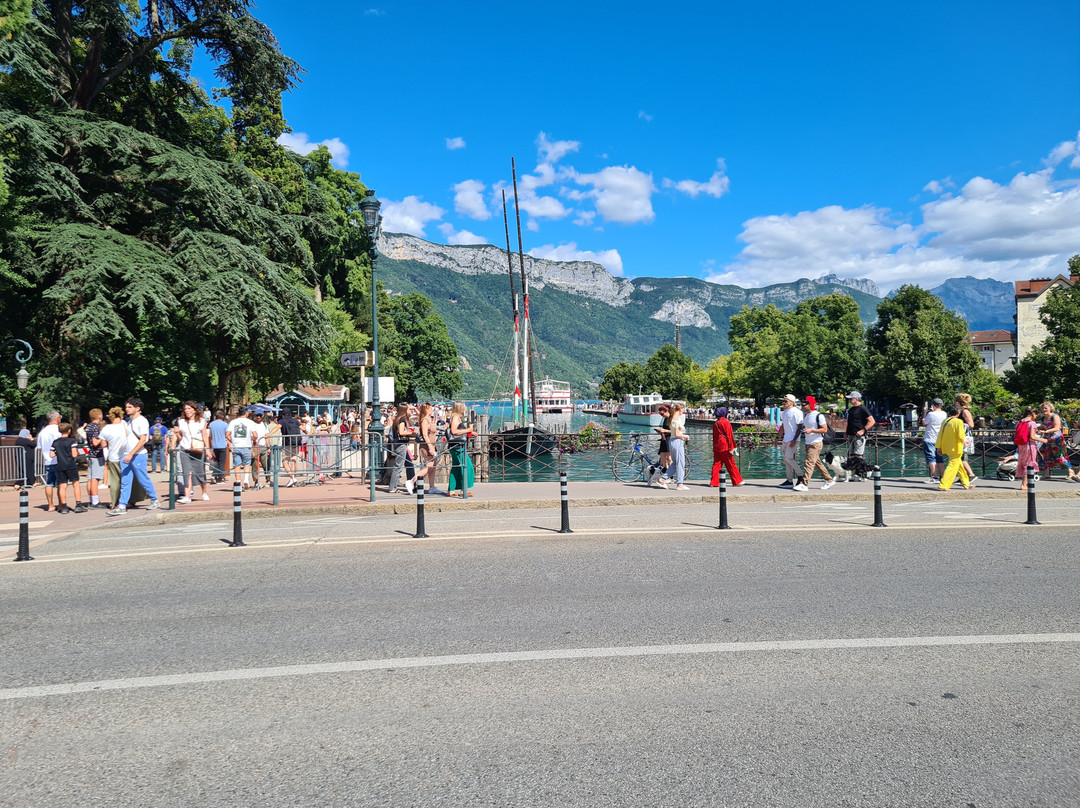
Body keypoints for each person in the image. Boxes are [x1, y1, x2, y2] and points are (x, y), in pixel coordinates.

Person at [108, 397, 160, 515]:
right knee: (125, 481)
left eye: (130, 407)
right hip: (127, 455)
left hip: (137, 455)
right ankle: (122, 505)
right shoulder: (129, 421)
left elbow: (142, 440)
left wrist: (131, 453)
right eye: (126, 407)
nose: (127, 409)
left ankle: (154, 499)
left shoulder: (142, 421)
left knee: (143, 479)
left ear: (138, 408)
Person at [176, 400, 210, 503]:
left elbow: (205, 435)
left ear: (195, 410)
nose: (187, 411)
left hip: (198, 449)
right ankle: (187, 496)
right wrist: (177, 434)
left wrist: (208, 449)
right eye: (185, 409)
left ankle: (204, 492)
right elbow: (180, 437)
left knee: (200, 472)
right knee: (187, 473)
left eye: (189, 408)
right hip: (185, 449)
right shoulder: (181, 421)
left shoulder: (201, 421)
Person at [1036, 400, 1079, 481]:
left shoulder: (1055, 416)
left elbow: (1057, 427)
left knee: (1060, 456)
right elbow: (1043, 426)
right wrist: (1036, 429)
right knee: (1045, 455)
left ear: (1050, 409)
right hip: (1047, 440)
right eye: (1042, 408)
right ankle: (1047, 473)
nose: (1044, 410)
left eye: (1045, 408)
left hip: (1056, 439)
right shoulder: (1043, 418)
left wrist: (1045, 431)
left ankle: (1070, 471)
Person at [49, 422, 86, 513]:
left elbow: (51, 454)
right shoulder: (72, 441)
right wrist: (77, 453)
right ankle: (78, 504)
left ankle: (64, 506)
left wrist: (59, 453)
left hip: (60, 465)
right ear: (69, 431)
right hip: (70, 465)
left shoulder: (56, 442)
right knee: (76, 484)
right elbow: (74, 454)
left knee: (62, 485)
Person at [935, 403, 973, 491]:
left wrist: (938, 447)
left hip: (947, 447)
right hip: (956, 448)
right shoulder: (959, 422)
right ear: (958, 412)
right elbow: (960, 436)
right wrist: (966, 437)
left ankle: (966, 484)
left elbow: (940, 434)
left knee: (959, 465)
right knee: (952, 465)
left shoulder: (945, 421)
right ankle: (944, 485)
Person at [800, 395, 835, 490]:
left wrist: (811, 431)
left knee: (808, 462)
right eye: (801, 405)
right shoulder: (806, 416)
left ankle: (804, 484)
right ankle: (829, 480)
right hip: (808, 442)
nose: (802, 407)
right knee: (816, 463)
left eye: (804, 405)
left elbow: (824, 429)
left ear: (810, 404)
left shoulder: (818, 415)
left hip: (816, 442)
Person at [99, 407, 129, 508]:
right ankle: (127, 501)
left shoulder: (106, 429)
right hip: (125, 455)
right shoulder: (125, 425)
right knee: (126, 480)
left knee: (114, 481)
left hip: (113, 456)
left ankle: (113, 502)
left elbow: (103, 445)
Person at [844, 392, 876, 481]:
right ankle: (857, 474)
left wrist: (863, 430)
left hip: (859, 436)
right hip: (851, 434)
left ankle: (864, 472)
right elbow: (849, 422)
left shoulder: (863, 409)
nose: (850, 400)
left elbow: (872, 421)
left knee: (858, 456)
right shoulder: (851, 410)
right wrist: (846, 432)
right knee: (851, 456)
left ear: (856, 399)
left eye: (851, 398)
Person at [226, 406, 259, 490]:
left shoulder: (233, 422)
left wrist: (231, 440)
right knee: (247, 464)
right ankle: (246, 480)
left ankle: (238, 481)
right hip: (246, 445)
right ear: (246, 413)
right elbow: (255, 435)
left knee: (237, 465)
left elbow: (227, 434)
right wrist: (252, 439)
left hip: (236, 446)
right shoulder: (250, 422)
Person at [709, 406, 743, 487]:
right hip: (725, 446)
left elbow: (714, 436)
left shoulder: (716, 423)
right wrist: (732, 447)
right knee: (731, 464)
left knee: (717, 465)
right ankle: (737, 481)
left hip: (717, 446)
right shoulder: (726, 423)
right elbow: (729, 436)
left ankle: (714, 482)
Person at [1014, 406, 1046, 491]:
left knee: (1023, 463)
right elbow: (1032, 437)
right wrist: (1043, 440)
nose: (1036, 416)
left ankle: (1025, 483)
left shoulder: (1021, 421)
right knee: (1029, 464)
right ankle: (1024, 484)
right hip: (1029, 445)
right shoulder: (1032, 423)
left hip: (1021, 445)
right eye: (1036, 414)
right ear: (1033, 414)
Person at [447, 402, 474, 498]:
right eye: (464, 407)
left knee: (456, 468)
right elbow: (454, 431)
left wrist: (471, 432)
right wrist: (468, 430)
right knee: (468, 467)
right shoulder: (455, 418)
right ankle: (464, 489)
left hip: (455, 446)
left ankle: (451, 490)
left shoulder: (455, 417)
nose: (465, 409)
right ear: (460, 408)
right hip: (458, 447)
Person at [37, 411, 61, 512]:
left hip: (47, 460)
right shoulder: (58, 430)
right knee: (61, 484)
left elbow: (39, 448)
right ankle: (61, 504)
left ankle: (50, 505)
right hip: (58, 460)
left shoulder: (42, 432)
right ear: (57, 419)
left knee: (49, 483)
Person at [417, 402, 443, 494]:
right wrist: (430, 447)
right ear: (427, 410)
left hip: (432, 444)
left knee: (433, 465)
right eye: (431, 409)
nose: (432, 410)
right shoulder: (424, 420)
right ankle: (412, 480)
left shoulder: (429, 419)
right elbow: (424, 434)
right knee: (429, 466)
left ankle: (432, 486)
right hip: (427, 445)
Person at [82, 408, 107, 507]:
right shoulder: (96, 427)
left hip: (91, 454)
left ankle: (91, 499)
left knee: (90, 478)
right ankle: (95, 501)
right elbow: (95, 442)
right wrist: (104, 438)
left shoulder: (88, 427)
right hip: (97, 455)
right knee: (95, 479)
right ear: (100, 416)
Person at [779, 394, 804, 489]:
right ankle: (789, 480)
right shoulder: (784, 412)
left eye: (786, 401)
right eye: (784, 401)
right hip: (786, 439)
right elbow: (783, 426)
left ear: (792, 402)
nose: (784, 403)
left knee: (789, 458)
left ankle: (801, 475)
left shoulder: (797, 412)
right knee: (786, 460)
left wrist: (794, 439)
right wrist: (778, 438)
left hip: (793, 439)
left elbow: (800, 427)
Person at [921, 398, 947, 484]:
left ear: (934, 405)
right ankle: (943, 476)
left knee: (931, 457)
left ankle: (934, 476)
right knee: (940, 458)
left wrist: (925, 412)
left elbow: (924, 423)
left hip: (930, 438)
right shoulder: (944, 414)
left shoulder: (931, 414)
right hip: (939, 439)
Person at [666, 401, 690, 490]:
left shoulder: (673, 419)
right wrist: (686, 436)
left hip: (672, 441)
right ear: (680, 409)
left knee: (676, 463)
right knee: (680, 463)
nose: (683, 410)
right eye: (683, 409)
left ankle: (663, 478)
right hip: (677, 441)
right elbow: (677, 434)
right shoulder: (676, 420)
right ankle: (680, 483)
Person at [954, 393, 977, 482]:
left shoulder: (965, 411)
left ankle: (971, 474)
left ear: (958, 402)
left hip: (964, 436)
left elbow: (971, 424)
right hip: (960, 436)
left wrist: (959, 423)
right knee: (959, 456)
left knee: (961, 457)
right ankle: (962, 476)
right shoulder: (960, 411)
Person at [649, 403, 673, 487]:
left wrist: (663, 430)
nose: (661, 416)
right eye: (660, 414)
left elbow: (673, 431)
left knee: (669, 459)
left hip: (669, 439)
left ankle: (671, 476)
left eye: (662, 414)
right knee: (662, 459)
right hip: (663, 439)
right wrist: (661, 431)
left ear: (667, 411)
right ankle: (665, 476)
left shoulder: (671, 419)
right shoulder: (665, 419)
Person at [208, 410, 230, 483]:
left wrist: (209, 445)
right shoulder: (225, 425)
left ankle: (214, 475)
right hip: (222, 445)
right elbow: (227, 435)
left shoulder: (211, 424)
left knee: (216, 461)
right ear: (222, 416)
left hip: (214, 445)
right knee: (222, 462)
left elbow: (210, 435)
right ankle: (219, 478)